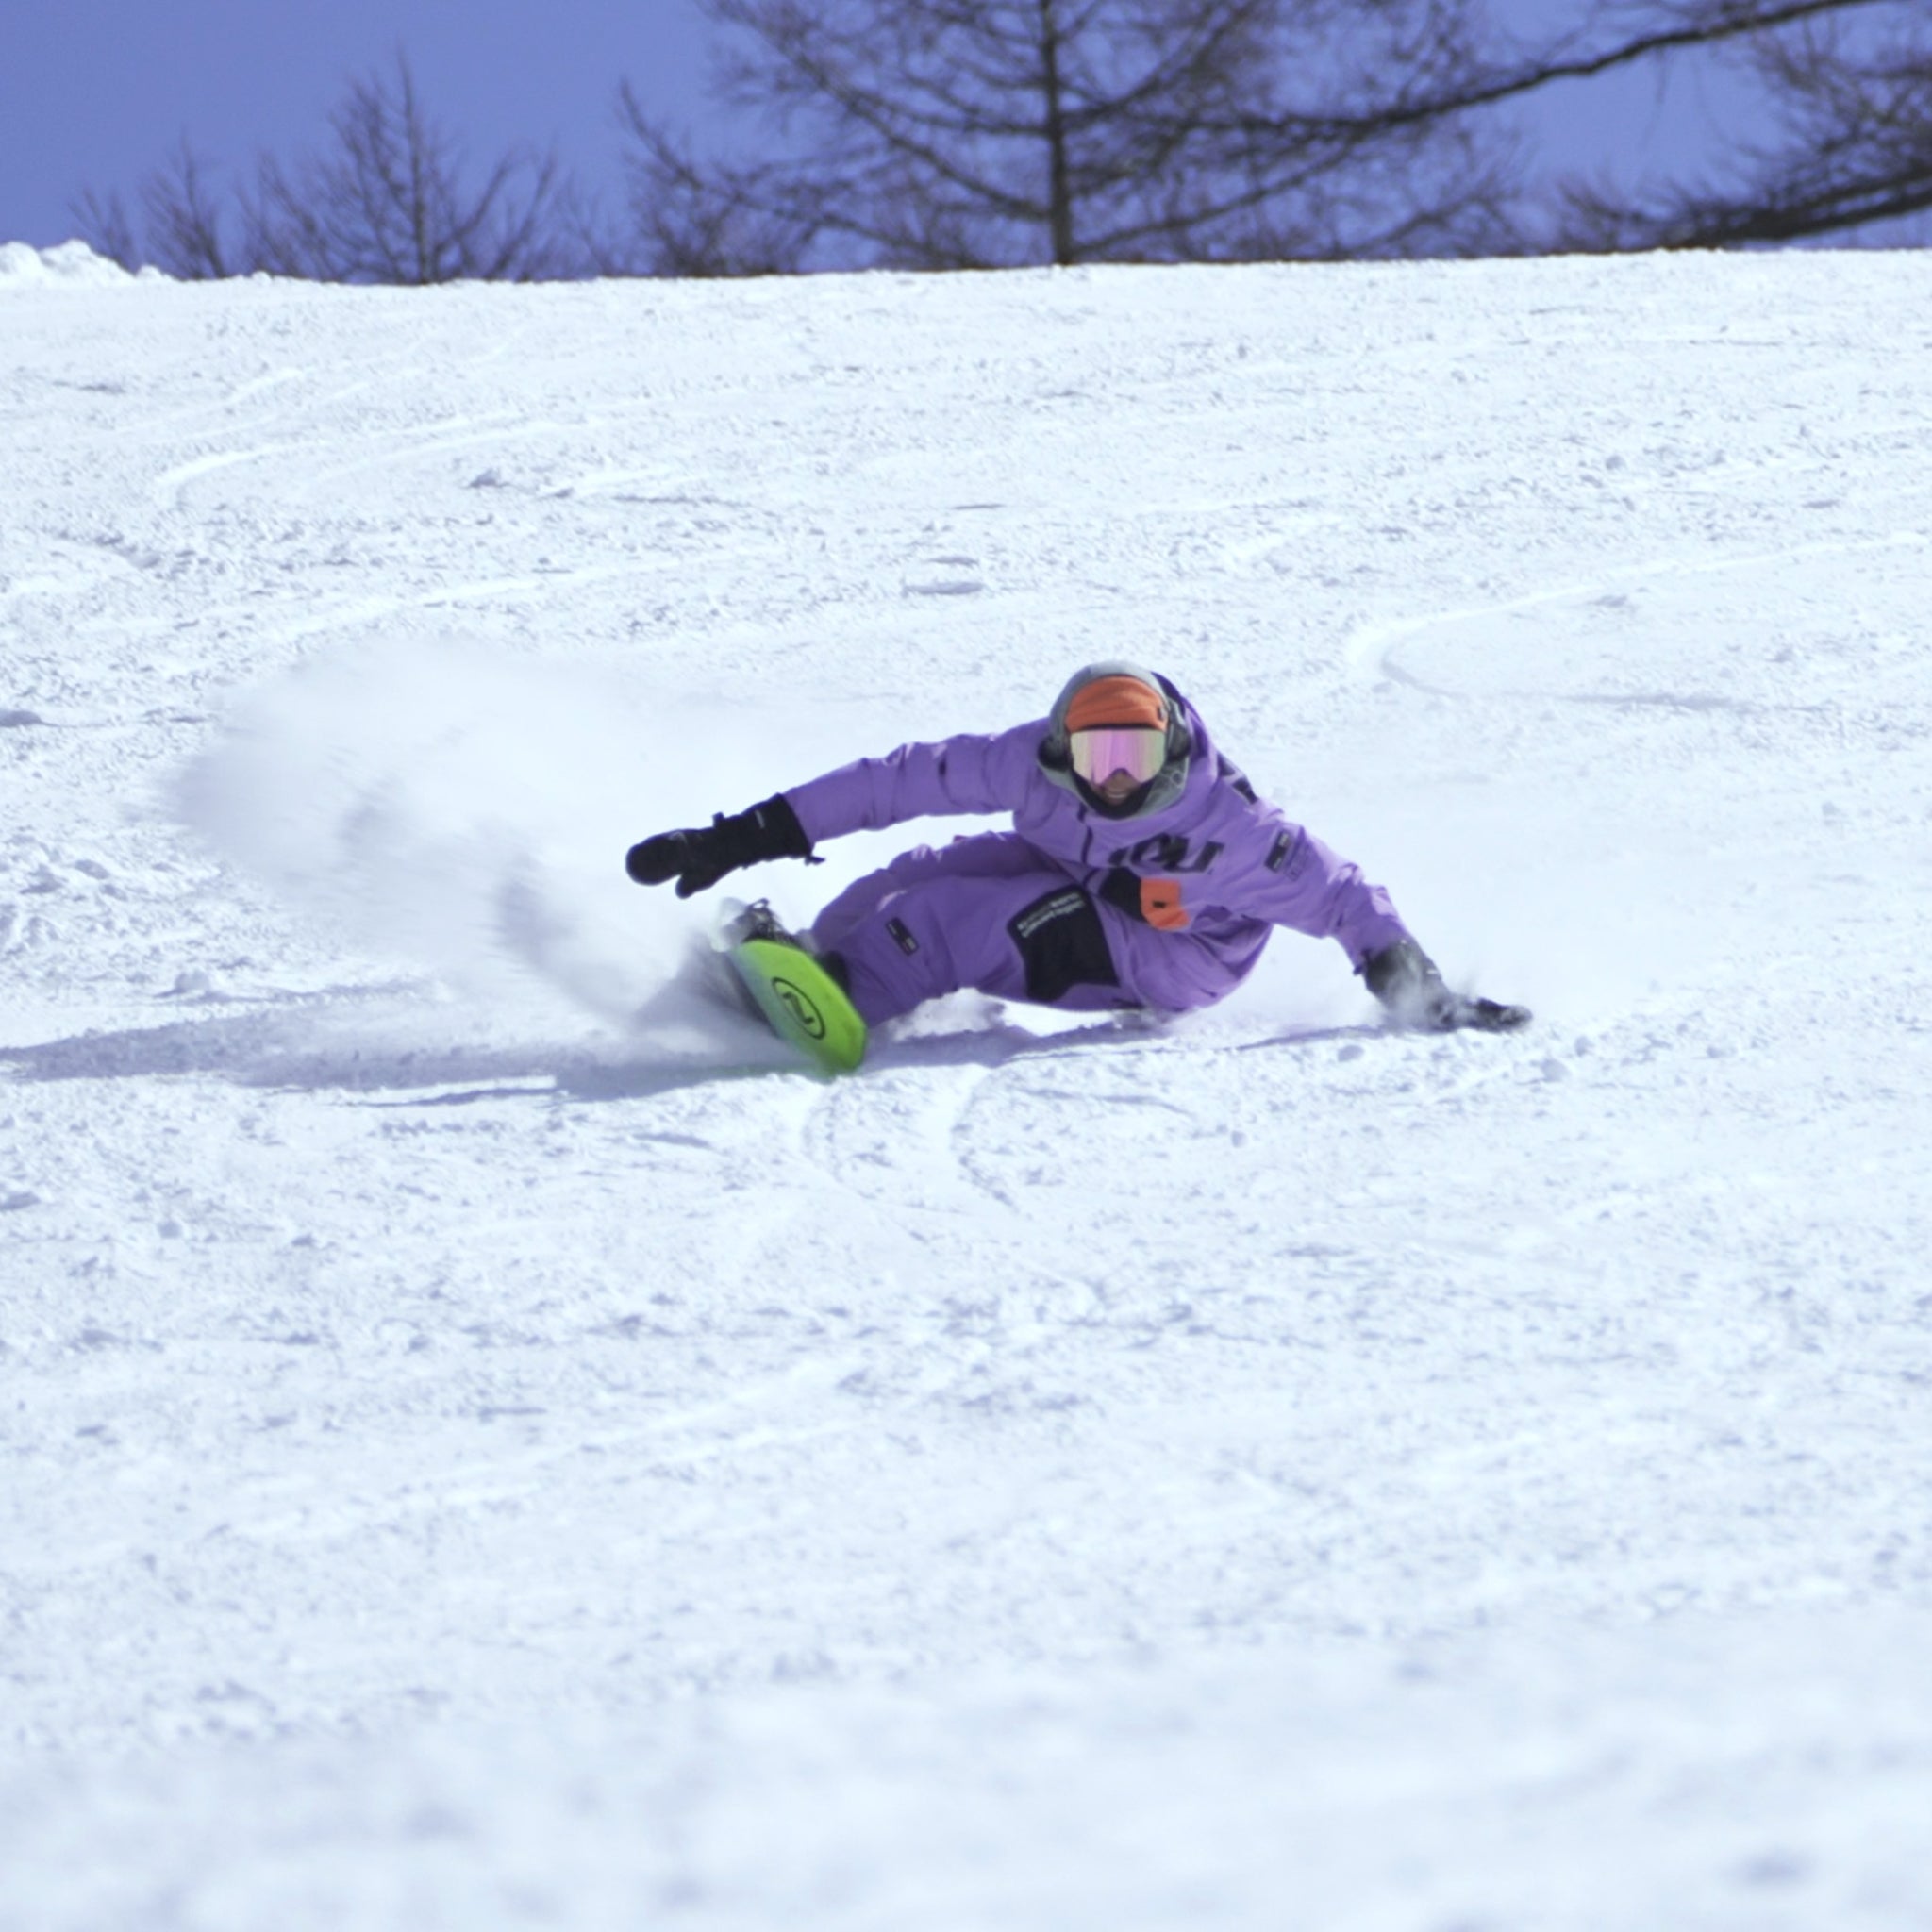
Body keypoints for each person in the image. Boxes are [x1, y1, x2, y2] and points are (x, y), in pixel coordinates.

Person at [625, 661, 1528, 1034]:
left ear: (1171, 749)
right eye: (1099, 756)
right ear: (1064, 749)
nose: (1117, 779)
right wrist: (743, 836)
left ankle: (852, 1003)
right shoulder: (1030, 766)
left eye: (1136, 755)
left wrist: (1424, 994)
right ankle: (818, 965)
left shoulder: (1233, 830)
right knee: (921, 874)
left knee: (962, 921)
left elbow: (1341, 898)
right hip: (1084, 875)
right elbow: (894, 783)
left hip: (1180, 951)